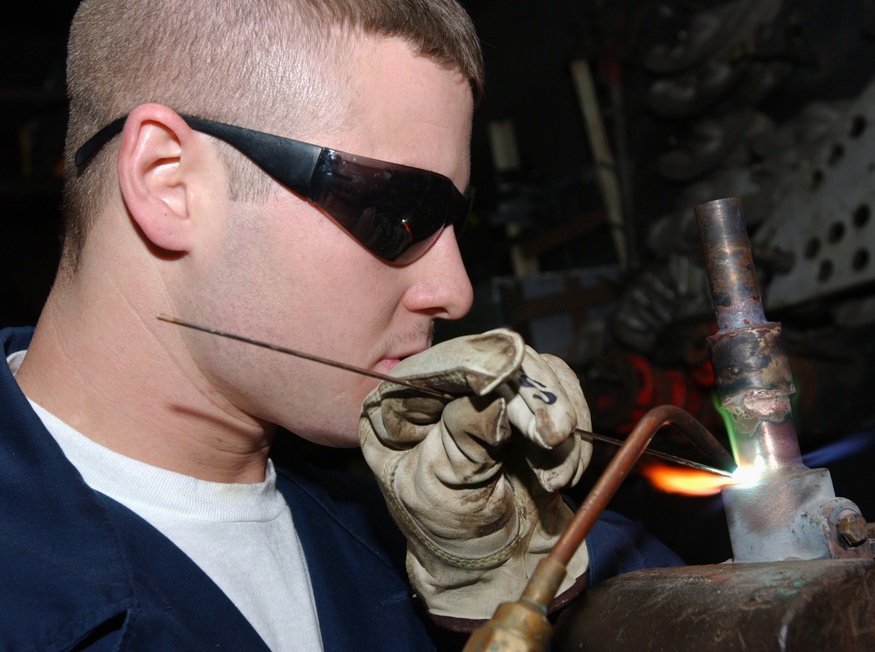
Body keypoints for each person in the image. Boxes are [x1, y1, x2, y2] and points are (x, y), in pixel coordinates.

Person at [0, 0, 681, 650]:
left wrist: (507, 577)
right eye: (398, 214)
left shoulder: (402, 534)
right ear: (169, 180)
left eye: (459, 224)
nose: (456, 293)